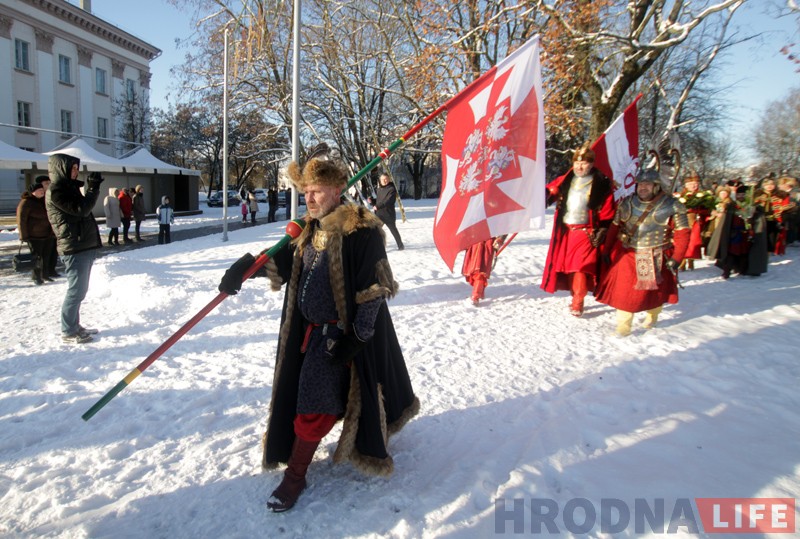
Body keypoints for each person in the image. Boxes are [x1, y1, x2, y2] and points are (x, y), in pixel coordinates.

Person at [217, 152, 419, 513]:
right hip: (306, 334)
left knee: (314, 404)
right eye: (305, 191)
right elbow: (284, 260)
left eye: (317, 191)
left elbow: (374, 289)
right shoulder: (308, 228)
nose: (308, 199)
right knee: (302, 397)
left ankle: (296, 476)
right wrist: (247, 268)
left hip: (337, 336)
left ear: (339, 189)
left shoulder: (361, 228)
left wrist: (355, 338)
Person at [594, 167, 690, 337]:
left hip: (655, 255)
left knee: (652, 292)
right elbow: (614, 228)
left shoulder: (672, 205)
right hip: (629, 253)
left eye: (648, 184)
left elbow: (683, 233)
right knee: (625, 292)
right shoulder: (627, 203)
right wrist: (607, 250)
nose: (643, 187)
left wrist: (677, 258)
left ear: (656, 186)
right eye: (640, 184)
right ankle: (623, 326)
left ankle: (652, 317)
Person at [540, 144, 616, 317]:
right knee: (568, 268)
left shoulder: (601, 183)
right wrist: (543, 194)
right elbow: (547, 195)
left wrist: (603, 229)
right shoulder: (565, 180)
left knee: (580, 267)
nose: (580, 167)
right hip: (566, 232)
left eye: (584, 163)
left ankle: (578, 301)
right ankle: (574, 295)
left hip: (586, 232)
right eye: (577, 163)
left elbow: (608, 211)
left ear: (591, 164)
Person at [45, 154, 103, 344]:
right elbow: (81, 210)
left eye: (77, 168)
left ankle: (74, 325)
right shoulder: (56, 191)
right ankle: (68, 330)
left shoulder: (69, 188)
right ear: (61, 168)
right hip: (73, 247)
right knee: (76, 291)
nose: (76, 171)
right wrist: (93, 189)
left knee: (81, 290)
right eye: (73, 168)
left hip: (82, 245)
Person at [16, 180, 56, 285]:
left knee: (46, 256)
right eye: (39, 190)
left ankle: (45, 274)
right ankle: (36, 277)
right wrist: (23, 236)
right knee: (36, 258)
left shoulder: (45, 201)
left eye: (42, 190)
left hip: (47, 235)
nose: (42, 192)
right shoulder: (26, 203)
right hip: (34, 236)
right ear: (33, 192)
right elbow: (21, 221)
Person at [706, 185, 751, 279]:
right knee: (730, 250)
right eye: (739, 194)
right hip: (727, 230)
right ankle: (729, 269)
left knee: (738, 250)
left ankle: (738, 269)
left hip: (738, 230)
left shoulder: (733, 204)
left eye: (725, 193)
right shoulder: (721, 203)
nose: (741, 196)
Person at [674, 173, 713, 270]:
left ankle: (691, 261)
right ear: (686, 185)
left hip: (696, 222)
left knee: (693, 242)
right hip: (683, 221)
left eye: (695, 184)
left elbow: (707, 209)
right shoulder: (681, 196)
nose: (694, 186)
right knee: (683, 241)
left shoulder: (703, 196)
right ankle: (682, 262)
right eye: (691, 184)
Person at [461, 236, 506, 305]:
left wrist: (500, 239)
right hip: (474, 242)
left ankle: (476, 296)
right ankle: (479, 292)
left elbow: (505, 226)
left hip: (488, 244)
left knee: (481, 271)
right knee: (473, 270)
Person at [35, 175, 61, 278]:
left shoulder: (51, 195)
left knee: (53, 252)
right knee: (42, 255)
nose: (48, 185)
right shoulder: (37, 198)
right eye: (46, 183)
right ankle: (41, 274)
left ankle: (51, 270)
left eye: (49, 183)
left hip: (53, 229)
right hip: (41, 231)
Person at [372, 173, 404, 250]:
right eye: (383, 179)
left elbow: (389, 201)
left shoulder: (392, 189)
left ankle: (401, 246)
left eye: (386, 179)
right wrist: (372, 201)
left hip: (388, 215)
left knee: (393, 231)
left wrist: (378, 206)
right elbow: (378, 201)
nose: (384, 181)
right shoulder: (379, 189)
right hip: (379, 214)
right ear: (380, 180)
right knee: (375, 231)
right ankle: (375, 246)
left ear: (389, 179)